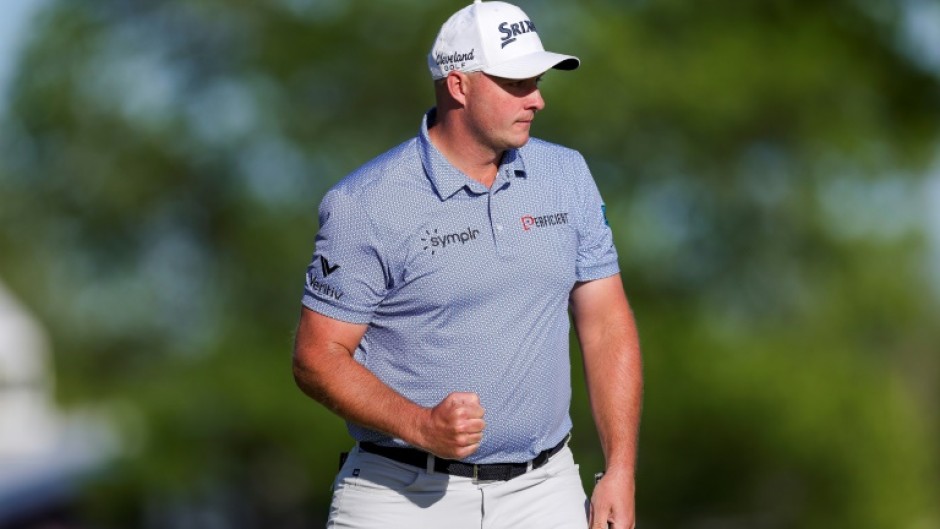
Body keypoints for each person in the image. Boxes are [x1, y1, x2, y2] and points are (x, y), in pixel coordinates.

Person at [292, 1, 643, 527]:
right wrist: (420, 425)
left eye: (537, 81)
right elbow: (316, 356)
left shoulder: (566, 174)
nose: (538, 99)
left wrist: (620, 469)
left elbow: (606, 322)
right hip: (400, 495)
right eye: (517, 83)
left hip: (544, 491)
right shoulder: (364, 204)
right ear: (459, 85)